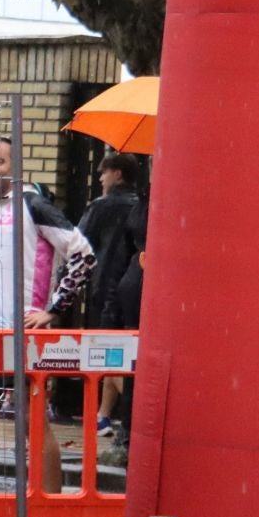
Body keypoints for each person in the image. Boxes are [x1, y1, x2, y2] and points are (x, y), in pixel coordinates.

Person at [0, 136, 96, 517]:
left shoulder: (34, 205)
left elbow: (83, 254)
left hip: (29, 334)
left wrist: (53, 309)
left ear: (16, 166)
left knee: (35, 422)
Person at [80, 153, 142, 435]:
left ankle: (138, 413)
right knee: (119, 352)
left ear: (117, 174)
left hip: (106, 290)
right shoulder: (141, 205)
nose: (101, 179)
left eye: (104, 173)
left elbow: (79, 245)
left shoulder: (102, 206)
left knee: (108, 357)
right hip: (135, 288)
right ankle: (103, 415)